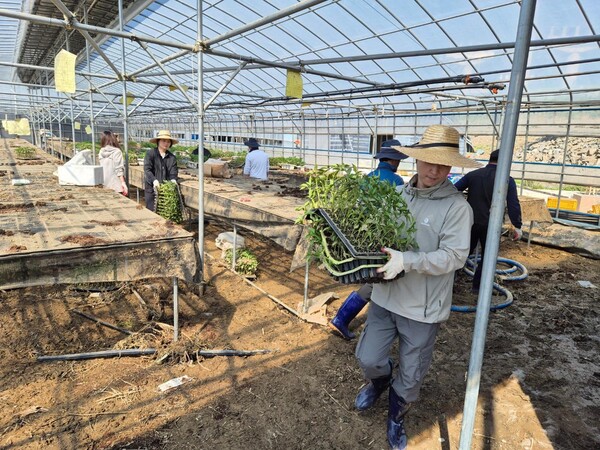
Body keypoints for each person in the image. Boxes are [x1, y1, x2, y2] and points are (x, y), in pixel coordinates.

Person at [353, 125, 481, 450]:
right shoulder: (397, 195)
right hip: (385, 296)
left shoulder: (456, 208)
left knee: (411, 377)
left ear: (452, 167)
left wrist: (408, 261)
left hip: (421, 309)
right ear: (418, 160)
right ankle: (379, 382)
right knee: (368, 357)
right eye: (429, 162)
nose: (434, 170)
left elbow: (453, 256)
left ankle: (396, 417)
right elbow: (378, 237)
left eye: (443, 165)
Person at [329, 139, 408, 340]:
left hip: (365, 234)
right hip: (384, 235)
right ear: (394, 160)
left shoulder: (368, 177)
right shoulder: (397, 181)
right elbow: (398, 212)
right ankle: (342, 318)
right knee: (378, 280)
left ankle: (343, 318)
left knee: (375, 277)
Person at [454, 149, 523, 292]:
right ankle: (478, 287)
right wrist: (517, 225)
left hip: (470, 222)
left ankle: (449, 282)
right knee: (488, 257)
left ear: (490, 159)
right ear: (505, 162)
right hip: (492, 225)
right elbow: (513, 204)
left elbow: (454, 190)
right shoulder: (507, 180)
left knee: (461, 252)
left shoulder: (473, 175)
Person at [144, 130, 179, 211]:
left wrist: (173, 179)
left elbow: (173, 172)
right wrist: (154, 180)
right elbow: (147, 170)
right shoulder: (151, 154)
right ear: (158, 141)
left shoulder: (172, 157)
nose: (166, 143)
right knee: (151, 211)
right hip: (151, 189)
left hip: (165, 190)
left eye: (168, 141)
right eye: (163, 141)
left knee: (164, 211)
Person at [98, 130, 128, 196]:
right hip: (116, 185)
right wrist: (123, 183)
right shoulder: (117, 151)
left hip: (105, 184)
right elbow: (119, 169)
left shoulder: (101, 151)